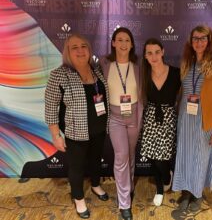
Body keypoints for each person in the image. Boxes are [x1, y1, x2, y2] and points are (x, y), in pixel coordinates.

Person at [45, 33, 109, 219]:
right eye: (75, 47)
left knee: (96, 160)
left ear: (89, 50)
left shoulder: (96, 71)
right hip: (76, 132)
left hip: (99, 128)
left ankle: (96, 185)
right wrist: (56, 135)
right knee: (77, 166)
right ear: (67, 52)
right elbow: (51, 106)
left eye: (84, 46)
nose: (80, 51)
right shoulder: (59, 74)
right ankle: (78, 197)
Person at [172, 25, 212, 212]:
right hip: (185, 119)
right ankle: (186, 192)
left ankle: (197, 194)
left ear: (210, 40)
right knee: (185, 157)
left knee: (200, 158)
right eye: (195, 38)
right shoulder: (186, 64)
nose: (199, 42)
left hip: (205, 122)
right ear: (191, 42)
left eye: (203, 38)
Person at [99, 27, 143, 220]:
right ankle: (124, 201)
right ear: (113, 43)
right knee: (121, 155)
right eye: (120, 40)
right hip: (115, 116)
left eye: (127, 40)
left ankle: (129, 186)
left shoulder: (138, 64)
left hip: (134, 113)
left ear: (131, 44)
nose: (123, 44)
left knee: (131, 153)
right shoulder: (104, 63)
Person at [139, 38, 181, 206]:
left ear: (163, 52)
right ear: (145, 56)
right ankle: (159, 189)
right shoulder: (143, 74)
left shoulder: (177, 73)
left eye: (157, 52)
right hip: (150, 117)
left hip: (168, 118)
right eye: (149, 53)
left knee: (162, 157)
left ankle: (167, 176)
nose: (154, 56)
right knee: (152, 156)